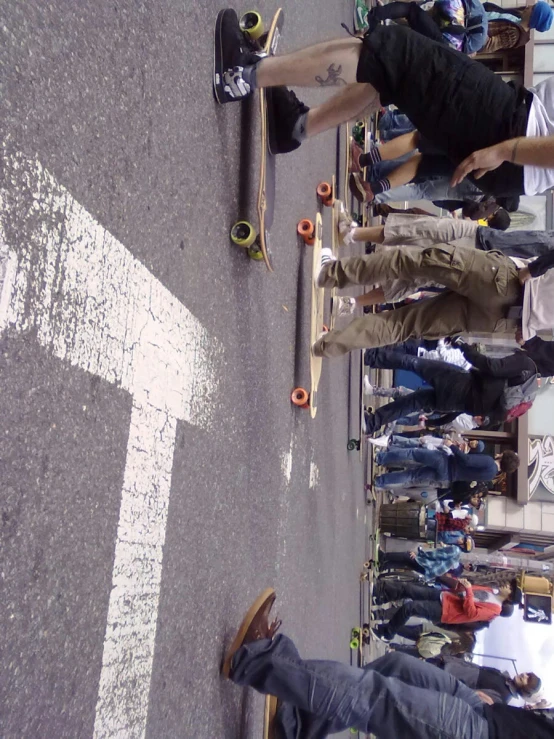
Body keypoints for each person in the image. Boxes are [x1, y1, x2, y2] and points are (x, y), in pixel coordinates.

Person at [214, 15, 554, 198]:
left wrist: (507, 150)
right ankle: (296, 127)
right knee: (390, 77)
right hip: (520, 147)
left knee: (392, 51)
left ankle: (242, 74)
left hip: (515, 135)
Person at [223, 588, 554, 738]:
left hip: (478, 733)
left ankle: (258, 660)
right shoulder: (503, 684)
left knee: (374, 699)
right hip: (486, 713)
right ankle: (299, 725)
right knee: (396, 666)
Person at [361, 347, 537, 433]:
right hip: (455, 404)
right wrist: (432, 423)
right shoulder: (521, 400)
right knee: (413, 402)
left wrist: (464, 346)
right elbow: (487, 418)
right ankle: (372, 422)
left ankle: (371, 356)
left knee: (415, 363)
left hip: (459, 383)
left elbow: (492, 366)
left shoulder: (526, 365)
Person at [372, 577, 516, 642]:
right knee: (410, 589)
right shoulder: (492, 590)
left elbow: (471, 613)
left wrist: (469, 589)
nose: (507, 586)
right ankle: (381, 595)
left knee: (410, 607)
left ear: (509, 598)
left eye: (510, 589)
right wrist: (461, 584)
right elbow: (464, 592)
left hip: (446, 611)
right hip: (446, 596)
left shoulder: (494, 611)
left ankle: (387, 634)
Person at [436, 658, 543, 704]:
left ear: (526, 689)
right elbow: (475, 667)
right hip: (442, 664)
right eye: (527, 674)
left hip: (440, 681)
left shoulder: (502, 698)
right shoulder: (502, 676)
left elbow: (468, 695)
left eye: (528, 679)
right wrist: (447, 659)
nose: (524, 675)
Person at [481, 1, 554, 53]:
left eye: (533, 8)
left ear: (534, 16)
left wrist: (476, 30)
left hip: (472, 28)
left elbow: (488, 45)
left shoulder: (515, 35)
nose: (528, 6)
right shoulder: (516, 16)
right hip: (476, 15)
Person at [377, 544, 463, 581]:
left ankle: (383, 556)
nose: (459, 538)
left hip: (428, 566)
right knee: (406, 563)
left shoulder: (455, 550)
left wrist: (420, 554)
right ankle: (384, 566)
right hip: (429, 572)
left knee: (407, 556)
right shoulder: (456, 558)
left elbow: (436, 555)